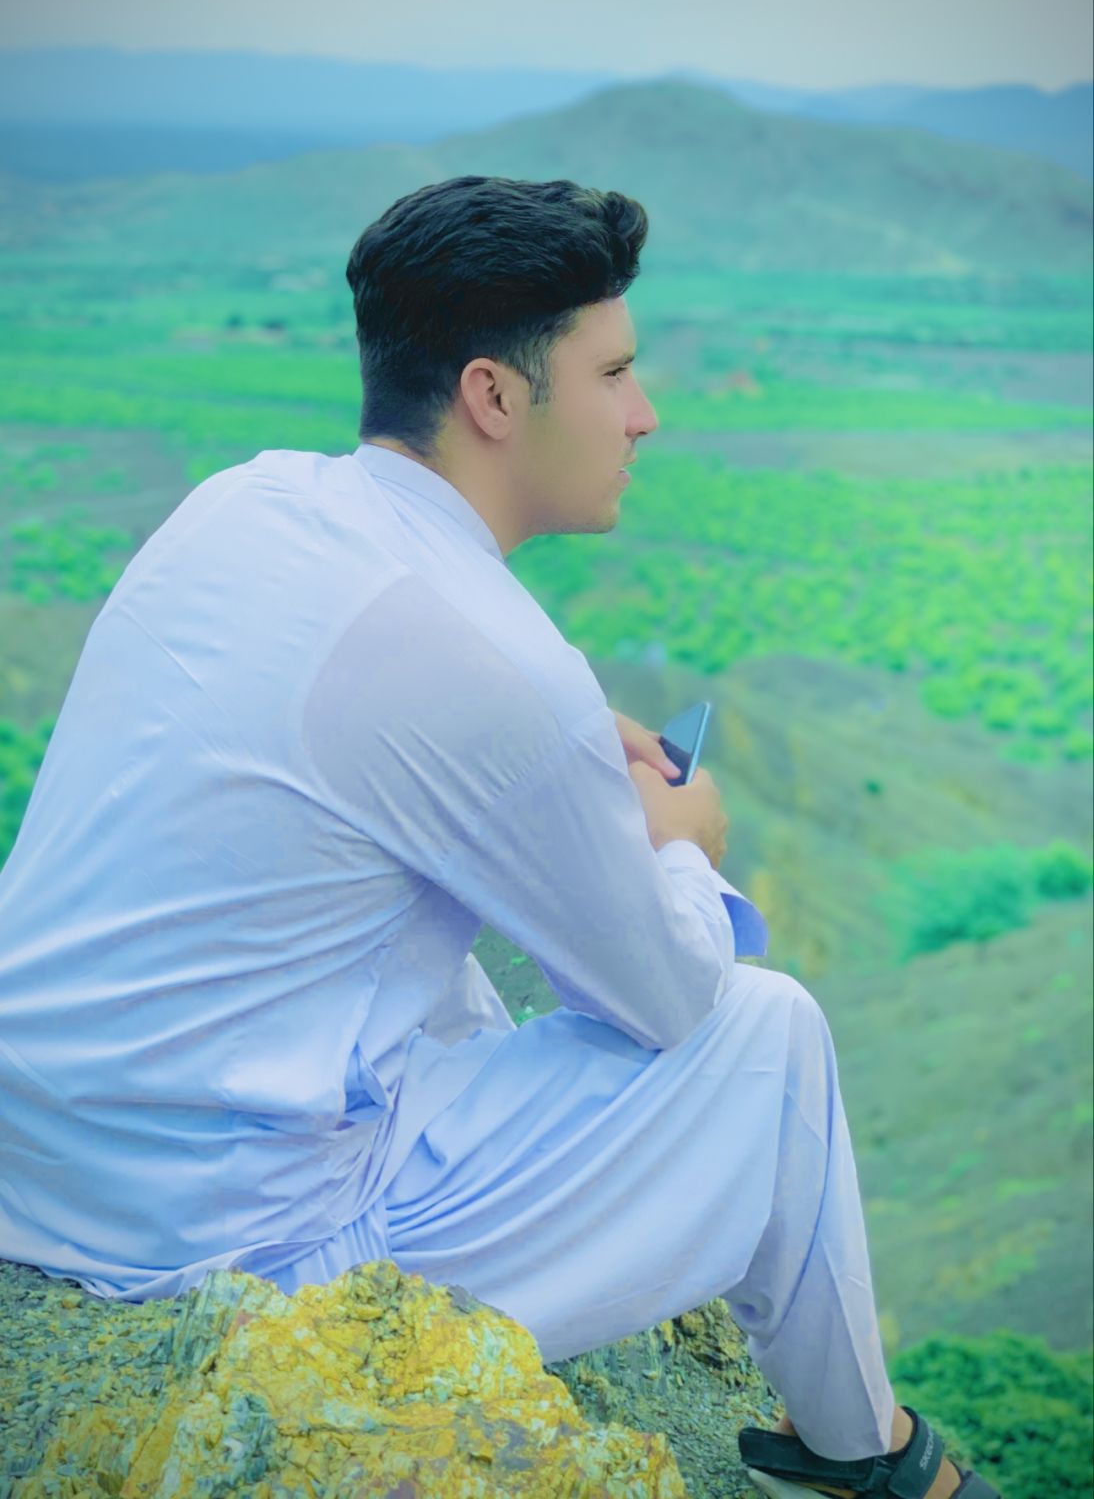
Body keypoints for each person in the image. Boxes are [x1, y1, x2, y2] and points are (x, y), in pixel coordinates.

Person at [0, 176, 996, 1498]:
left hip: (42, 1160)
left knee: (426, 940)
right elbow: (665, 999)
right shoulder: (495, 664)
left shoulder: (244, 504)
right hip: (222, 1242)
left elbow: (368, 740)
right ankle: (865, 1455)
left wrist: (563, 756)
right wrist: (681, 841)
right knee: (771, 1032)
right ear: (492, 395)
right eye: (614, 372)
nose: (644, 414)